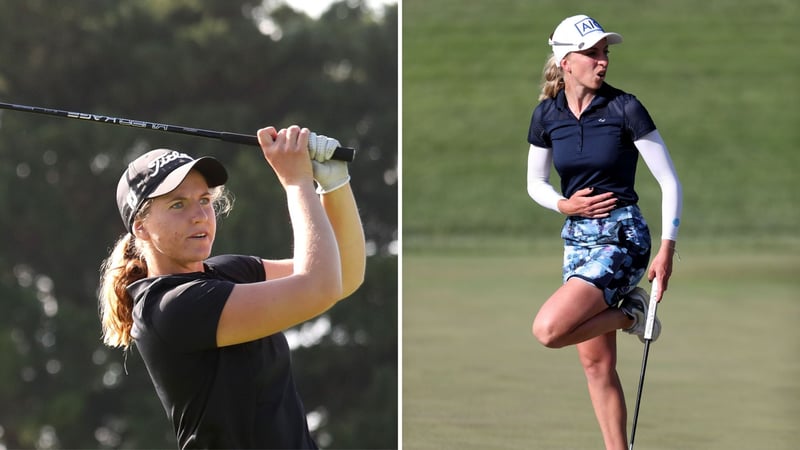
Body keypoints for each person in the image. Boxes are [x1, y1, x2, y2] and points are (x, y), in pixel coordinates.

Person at [98, 125, 366, 449]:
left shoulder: (229, 272)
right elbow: (319, 287)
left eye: (205, 200)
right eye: (177, 205)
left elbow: (342, 277)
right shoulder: (168, 307)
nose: (199, 215)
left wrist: (334, 184)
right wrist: (296, 182)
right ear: (141, 227)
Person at [526, 14, 682, 450]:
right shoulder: (546, 115)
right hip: (576, 238)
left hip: (623, 237)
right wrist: (564, 204)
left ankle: (630, 314)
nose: (602, 61)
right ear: (566, 61)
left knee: (549, 330)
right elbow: (534, 182)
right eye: (592, 53)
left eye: (604, 53)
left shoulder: (624, 107)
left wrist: (666, 250)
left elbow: (669, 181)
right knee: (596, 365)